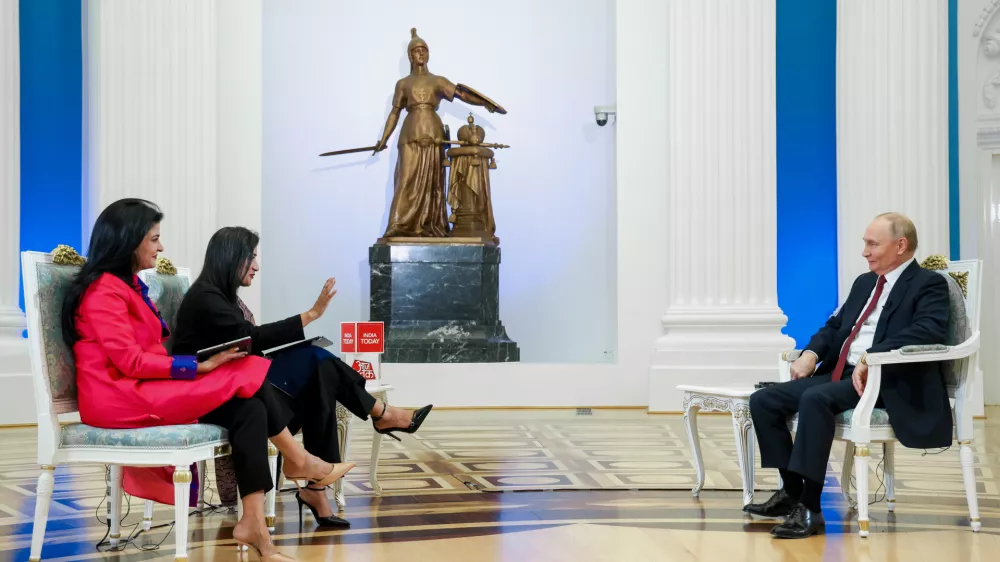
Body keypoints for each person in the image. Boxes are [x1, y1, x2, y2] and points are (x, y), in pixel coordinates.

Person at [63, 199, 351, 561]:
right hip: (118, 398)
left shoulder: (126, 286)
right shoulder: (104, 291)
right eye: (154, 239)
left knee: (249, 409)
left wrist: (200, 365)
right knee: (245, 368)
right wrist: (197, 367)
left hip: (140, 387)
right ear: (129, 241)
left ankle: (254, 522)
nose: (161, 247)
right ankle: (298, 458)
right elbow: (130, 361)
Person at [170, 226, 433, 527]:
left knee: (320, 374)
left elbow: (246, 345)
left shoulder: (219, 296)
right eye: (251, 257)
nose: (256, 266)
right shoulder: (206, 298)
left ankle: (319, 488)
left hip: (241, 386)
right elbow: (251, 338)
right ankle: (378, 418)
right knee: (317, 361)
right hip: (222, 398)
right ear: (231, 257)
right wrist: (310, 315)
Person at [745, 212, 952, 538]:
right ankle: (792, 492)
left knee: (815, 398)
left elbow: (929, 329)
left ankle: (810, 508)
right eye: (865, 243)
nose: (865, 251)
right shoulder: (865, 282)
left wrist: (874, 356)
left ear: (900, 245)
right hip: (842, 373)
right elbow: (835, 327)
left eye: (873, 244)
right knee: (764, 400)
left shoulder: (928, 284)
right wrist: (811, 354)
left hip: (887, 380)